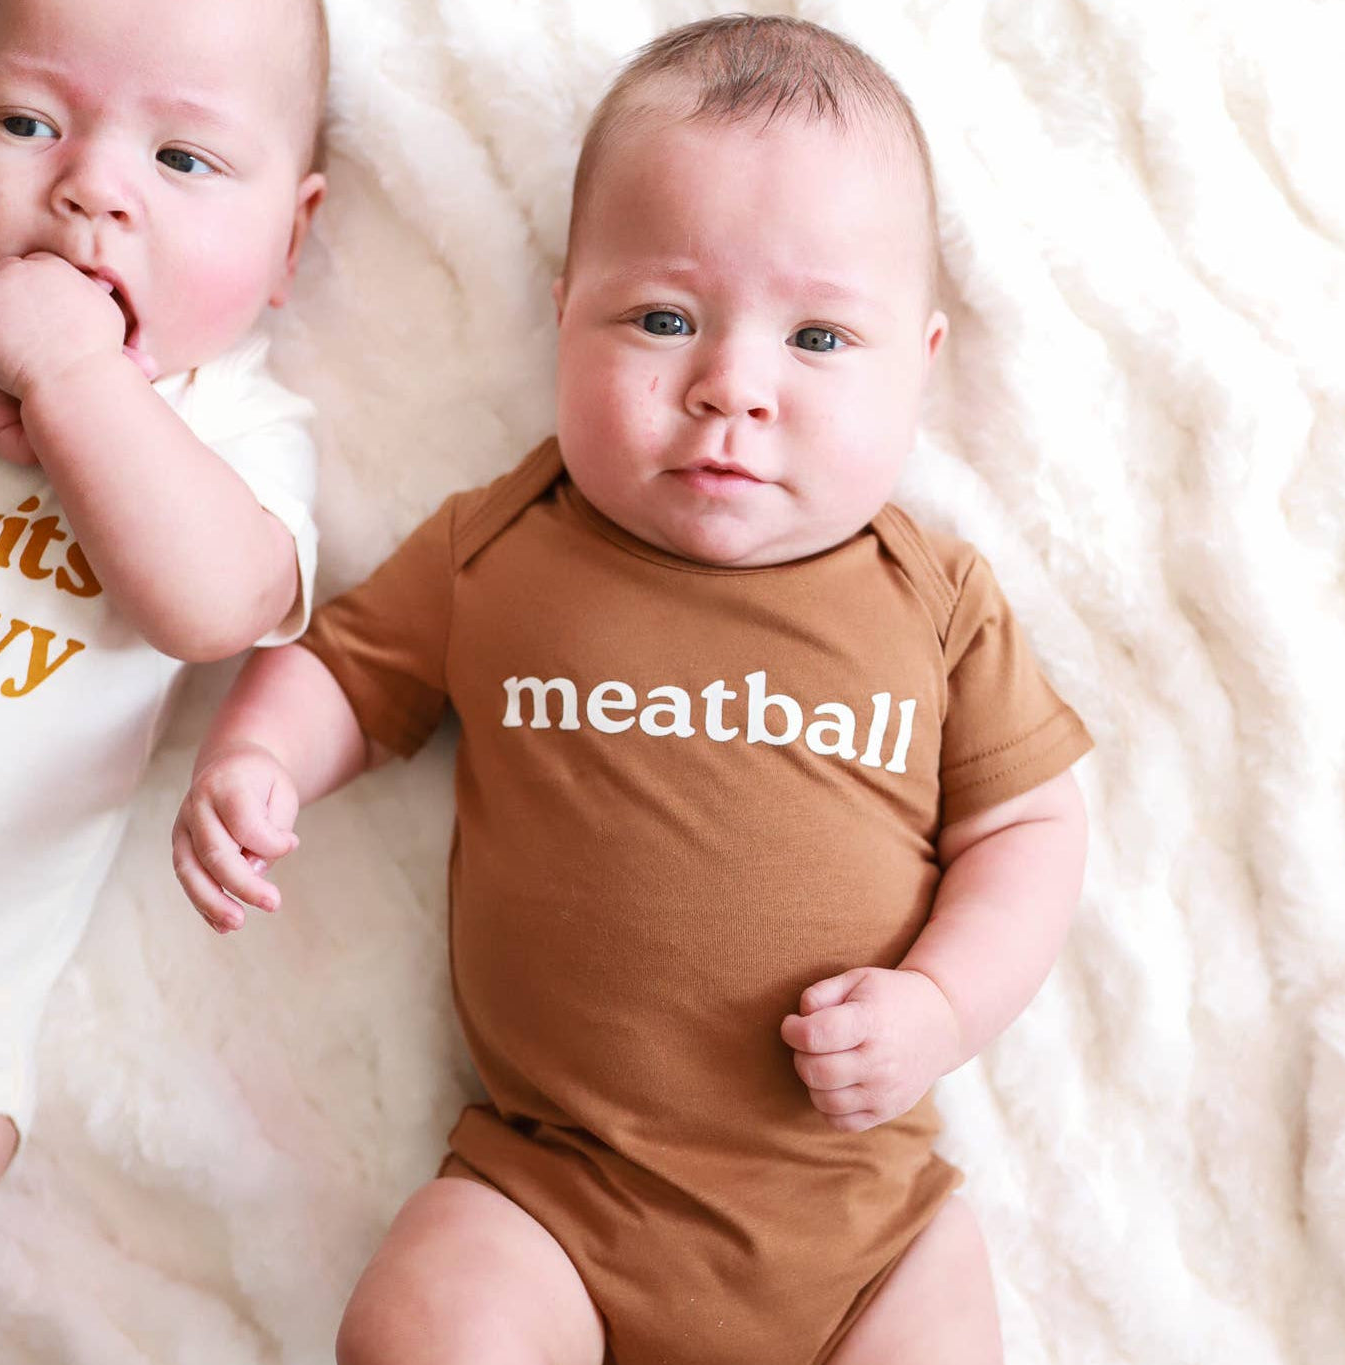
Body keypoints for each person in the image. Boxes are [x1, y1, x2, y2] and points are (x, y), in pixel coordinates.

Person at [172, 14, 1092, 1364]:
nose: (732, 388)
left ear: (924, 361)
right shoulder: (504, 545)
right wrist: (256, 760)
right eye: (663, 318)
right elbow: (340, 673)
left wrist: (943, 1007)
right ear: (564, 315)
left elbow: (1029, 830)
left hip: (862, 1223)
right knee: (422, 1330)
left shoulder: (931, 601)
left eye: (821, 340)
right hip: (553, 1193)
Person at [0, 0, 329, 1184]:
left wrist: (69, 374)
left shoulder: (230, 427)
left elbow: (209, 604)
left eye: (181, 158)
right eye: (23, 121)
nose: (90, 189)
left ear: (291, 242)